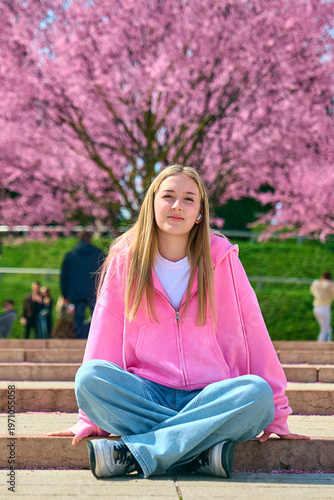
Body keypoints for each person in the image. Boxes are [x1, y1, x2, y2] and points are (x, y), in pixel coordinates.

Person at [48, 164, 309, 479]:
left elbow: (254, 333)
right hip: (146, 393)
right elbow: (105, 333)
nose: (177, 206)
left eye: (188, 199)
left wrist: (278, 413)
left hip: (209, 394)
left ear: (200, 212)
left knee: (257, 395)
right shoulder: (125, 257)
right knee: (90, 379)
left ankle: (136, 453)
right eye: (168, 196)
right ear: (153, 203)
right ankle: (197, 448)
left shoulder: (222, 258)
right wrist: (88, 418)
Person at [61, 232, 105, 339]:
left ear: (79, 239)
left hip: (76, 291)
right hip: (94, 291)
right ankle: (96, 340)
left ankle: (79, 339)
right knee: (96, 317)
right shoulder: (99, 254)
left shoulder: (70, 255)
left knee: (78, 318)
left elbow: (64, 276)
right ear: (90, 239)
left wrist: (65, 294)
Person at [310, 271, 334, 342]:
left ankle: (328, 342)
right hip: (325, 308)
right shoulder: (329, 284)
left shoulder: (316, 283)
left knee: (327, 328)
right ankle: (320, 343)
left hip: (316, 308)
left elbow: (312, 291)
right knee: (325, 328)